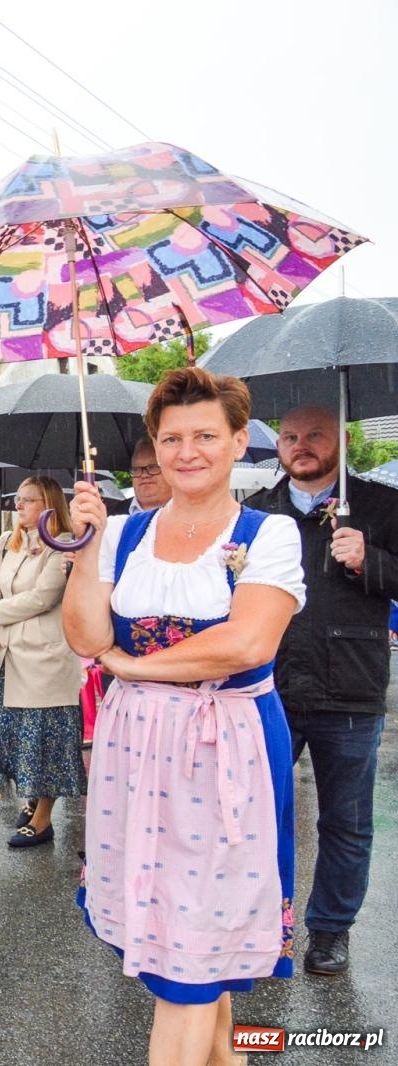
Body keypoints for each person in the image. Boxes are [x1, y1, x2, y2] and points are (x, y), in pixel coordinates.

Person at [62, 367, 304, 1066]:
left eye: (205, 435)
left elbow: (247, 641)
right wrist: (84, 552)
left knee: (191, 961)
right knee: (184, 932)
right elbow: (86, 636)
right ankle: (226, 1057)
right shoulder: (124, 535)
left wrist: (133, 667)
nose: (186, 451)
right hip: (136, 751)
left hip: (227, 743)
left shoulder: (270, 533)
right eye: (171, 438)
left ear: (237, 442)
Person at [244, 404, 397, 976]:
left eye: (314, 436)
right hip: (270, 686)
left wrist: (371, 561)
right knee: (257, 812)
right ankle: (262, 923)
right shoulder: (257, 513)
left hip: (350, 688)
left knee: (345, 821)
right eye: (289, 437)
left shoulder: (381, 506)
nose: (300, 445)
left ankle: (330, 931)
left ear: (342, 440)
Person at [0, 476, 85, 848]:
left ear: (49, 504)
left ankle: (42, 820)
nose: (19, 506)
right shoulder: (9, 542)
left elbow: (43, 598)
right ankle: (33, 798)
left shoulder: (64, 544)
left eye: (28, 500)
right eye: (17, 500)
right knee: (8, 737)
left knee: (42, 739)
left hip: (45, 658)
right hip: (8, 653)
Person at [128, 436, 173, 515]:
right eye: (137, 469)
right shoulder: (108, 515)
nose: (144, 475)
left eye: (152, 467)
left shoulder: (191, 513)